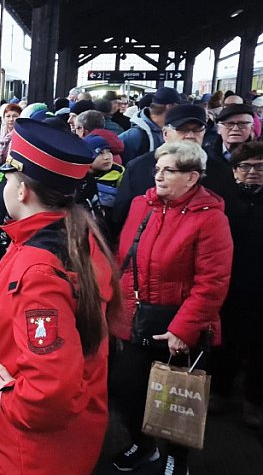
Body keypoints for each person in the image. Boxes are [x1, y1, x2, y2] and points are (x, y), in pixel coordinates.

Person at [0, 119, 120, 475]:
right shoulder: (76, 237)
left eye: (8, 178)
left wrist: (10, 400)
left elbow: (51, 390)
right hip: (54, 449)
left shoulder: (38, 273)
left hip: (24, 453)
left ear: (21, 191)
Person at [110, 140, 231, 475]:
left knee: (176, 398)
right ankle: (143, 444)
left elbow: (213, 282)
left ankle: (177, 457)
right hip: (136, 319)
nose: (158, 176)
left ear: (192, 177)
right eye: (158, 169)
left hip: (179, 326)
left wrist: (184, 329)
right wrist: (116, 313)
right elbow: (124, 262)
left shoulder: (211, 219)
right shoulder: (141, 205)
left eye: (169, 170)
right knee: (125, 388)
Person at [112, 104, 237, 230]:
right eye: (182, 129)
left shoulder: (221, 171)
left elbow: (232, 218)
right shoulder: (138, 168)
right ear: (165, 133)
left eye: (197, 130)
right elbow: (120, 216)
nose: (190, 135)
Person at [210, 142, 263, 427]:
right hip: (229, 284)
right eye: (245, 166)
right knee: (225, 342)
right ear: (234, 171)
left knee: (259, 347)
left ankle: (254, 401)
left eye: (260, 166)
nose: (252, 172)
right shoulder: (223, 201)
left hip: (260, 288)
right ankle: (220, 391)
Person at [119, 87, 180, 163]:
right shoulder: (134, 136)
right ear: (170, 107)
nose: (180, 111)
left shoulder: (169, 130)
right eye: (179, 107)